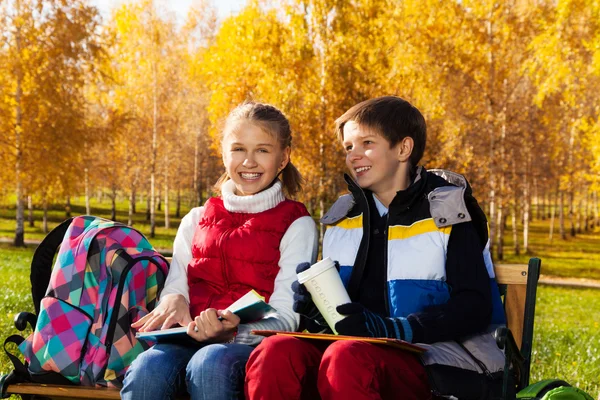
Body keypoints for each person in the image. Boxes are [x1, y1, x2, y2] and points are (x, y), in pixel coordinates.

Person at [245, 96, 507, 400]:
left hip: (437, 360)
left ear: (403, 149)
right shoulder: (343, 217)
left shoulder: (449, 213)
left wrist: (390, 328)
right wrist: (315, 310)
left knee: (348, 357)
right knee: (277, 350)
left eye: (366, 143)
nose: (354, 156)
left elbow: (473, 307)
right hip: (356, 353)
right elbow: (347, 316)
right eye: (348, 147)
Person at [121, 102, 318, 400]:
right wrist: (173, 300)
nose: (249, 162)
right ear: (224, 154)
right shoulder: (196, 218)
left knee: (210, 362)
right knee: (149, 368)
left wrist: (233, 333)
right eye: (238, 149)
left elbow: (288, 316)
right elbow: (177, 286)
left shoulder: (298, 224)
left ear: (283, 158)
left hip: (245, 345)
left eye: (262, 150)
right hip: (185, 338)